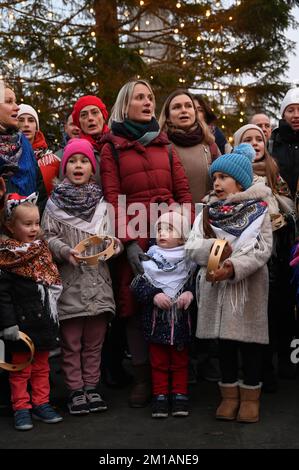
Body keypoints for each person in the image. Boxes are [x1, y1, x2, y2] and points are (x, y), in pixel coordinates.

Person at [100, 79, 193, 408]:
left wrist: (186, 230)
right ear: (125, 105)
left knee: (176, 298)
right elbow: (112, 198)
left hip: (170, 231)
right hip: (134, 233)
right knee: (135, 305)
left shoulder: (166, 145)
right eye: (140, 97)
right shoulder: (110, 147)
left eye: (150, 97)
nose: (147, 101)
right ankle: (143, 378)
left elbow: (183, 193)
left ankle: (175, 377)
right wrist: (128, 243)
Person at [185, 143, 273, 423]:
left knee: (249, 345)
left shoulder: (259, 211)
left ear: (240, 181)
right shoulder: (208, 213)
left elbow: (262, 249)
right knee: (223, 345)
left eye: (223, 177)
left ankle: (250, 398)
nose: (217, 183)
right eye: (214, 178)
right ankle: (228, 397)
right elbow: (192, 245)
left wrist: (233, 266)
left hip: (247, 287)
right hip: (216, 287)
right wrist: (215, 249)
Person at [42, 138, 118, 415]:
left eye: (84, 161)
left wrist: (113, 246)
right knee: (71, 343)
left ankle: (92, 387)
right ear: (65, 167)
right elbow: (46, 236)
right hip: (70, 282)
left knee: (94, 342)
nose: (78, 165)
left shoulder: (102, 203)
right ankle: (75, 390)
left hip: (99, 281)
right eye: (72, 161)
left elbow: (113, 236)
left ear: (92, 167)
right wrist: (64, 250)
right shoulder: (53, 204)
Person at [234, 124, 296, 387]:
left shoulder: (274, 171)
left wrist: (284, 216)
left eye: (258, 139)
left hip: (276, 253)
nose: (254, 143)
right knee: (253, 313)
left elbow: (289, 201)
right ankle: (256, 369)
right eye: (247, 139)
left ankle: (280, 361)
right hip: (247, 252)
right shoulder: (234, 173)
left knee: (278, 310)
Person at [0, 193, 63, 431]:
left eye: (37, 223)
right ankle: (21, 407)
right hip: (20, 327)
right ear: (10, 226)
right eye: (27, 224)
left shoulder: (42, 251)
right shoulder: (6, 257)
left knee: (42, 367)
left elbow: (52, 284)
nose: (34, 228)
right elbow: (3, 296)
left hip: (43, 321)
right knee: (20, 370)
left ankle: (41, 403)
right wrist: (8, 325)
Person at [131, 211, 196, 418]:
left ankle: (179, 395)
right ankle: (160, 395)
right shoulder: (148, 259)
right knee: (157, 361)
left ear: (183, 236)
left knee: (180, 361)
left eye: (169, 229)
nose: (162, 233)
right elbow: (138, 286)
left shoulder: (189, 261)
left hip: (181, 323)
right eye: (159, 229)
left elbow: (197, 284)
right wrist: (154, 295)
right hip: (155, 322)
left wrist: (189, 293)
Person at [159, 89, 220, 204]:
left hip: (208, 217)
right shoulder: (161, 146)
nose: (184, 110)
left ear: (195, 112)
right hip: (175, 217)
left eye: (188, 106)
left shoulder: (210, 145)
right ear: (167, 116)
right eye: (177, 107)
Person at [0, 80, 47, 213]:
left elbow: (39, 188)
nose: (17, 107)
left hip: (25, 229)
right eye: (9, 102)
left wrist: (34, 220)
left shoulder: (23, 143)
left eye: (15, 101)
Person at [17, 104, 60, 196]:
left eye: (31, 120)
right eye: (21, 120)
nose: (26, 124)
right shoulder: (7, 157)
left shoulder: (53, 160)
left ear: (36, 126)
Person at [269, 88, 299, 199]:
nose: (296, 115)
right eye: (290, 110)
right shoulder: (272, 142)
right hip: (281, 206)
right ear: (283, 115)